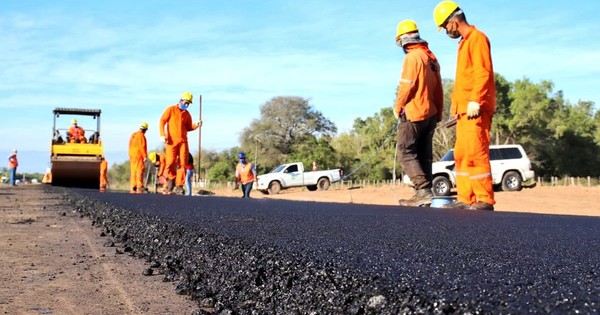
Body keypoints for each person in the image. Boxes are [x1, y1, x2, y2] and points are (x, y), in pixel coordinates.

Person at [433, 1, 496, 210]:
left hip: (475, 108)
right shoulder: (464, 43)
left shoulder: (477, 39)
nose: (446, 32)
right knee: (461, 154)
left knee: (476, 152)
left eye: (445, 27)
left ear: (453, 21)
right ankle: (465, 197)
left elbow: (482, 72)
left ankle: (484, 199)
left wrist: (476, 100)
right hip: (464, 111)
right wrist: (456, 110)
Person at [393, 19, 444, 207]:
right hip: (431, 113)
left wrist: (398, 108)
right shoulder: (431, 58)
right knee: (424, 154)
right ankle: (425, 194)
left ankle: (422, 190)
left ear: (403, 41)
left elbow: (406, 87)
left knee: (405, 151)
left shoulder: (412, 57)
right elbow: (439, 89)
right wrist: (438, 113)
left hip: (415, 112)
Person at [159, 92, 202, 195]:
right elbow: (162, 121)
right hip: (171, 142)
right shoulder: (171, 109)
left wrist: (196, 125)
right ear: (181, 100)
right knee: (170, 163)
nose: (186, 105)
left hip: (183, 142)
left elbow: (188, 127)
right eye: (186, 102)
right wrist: (162, 134)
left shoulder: (187, 114)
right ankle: (171, 180)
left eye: (188, 104)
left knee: (183, 164)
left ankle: (179, 186)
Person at [128, 122, 148, 194]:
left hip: (132, 155)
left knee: (133, 171)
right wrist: (145, 156)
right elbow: (142, 146)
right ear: (145, 129)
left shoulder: (133, 135)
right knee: (139, 170)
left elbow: (129, 145)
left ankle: (134, 185)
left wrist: (130, 155)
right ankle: (139, 186)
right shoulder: (141, 136)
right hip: (138, 155)